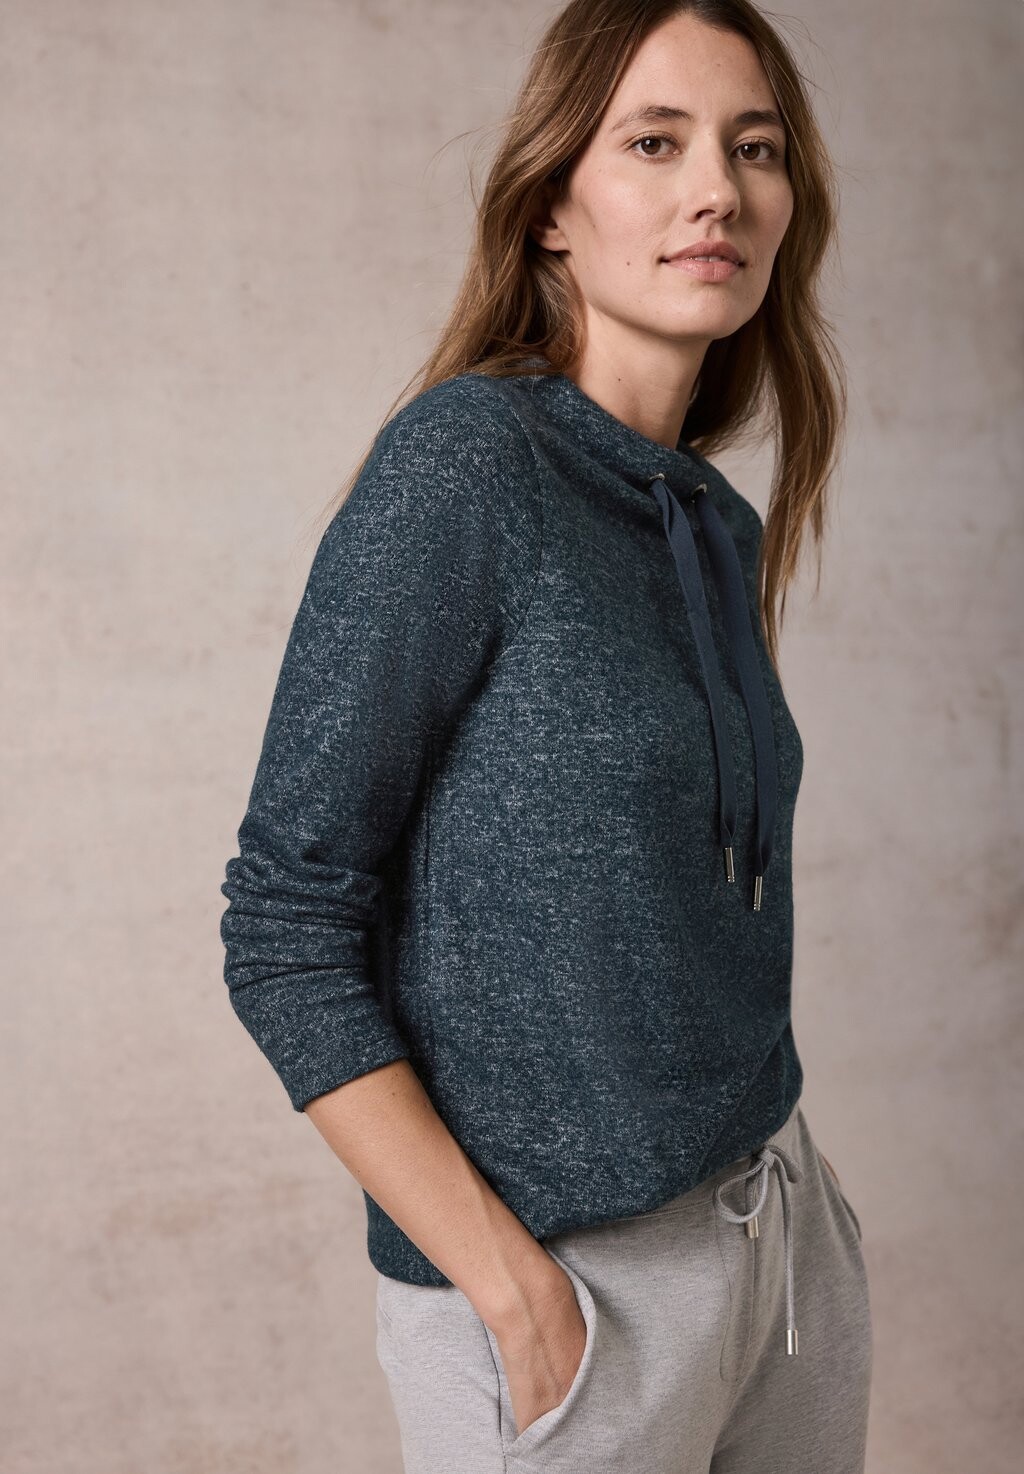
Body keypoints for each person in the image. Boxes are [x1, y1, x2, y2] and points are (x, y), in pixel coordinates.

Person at [218, 0, 873, 1469]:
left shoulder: (711, 522)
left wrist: (804, 1224)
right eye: (655, 142)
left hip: (775, 1243)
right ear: (551, 210)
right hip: (571, 1302)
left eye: (755, 148)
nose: (718, 190)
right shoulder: (466, 468)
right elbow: (284, 925)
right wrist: (513, 1294)